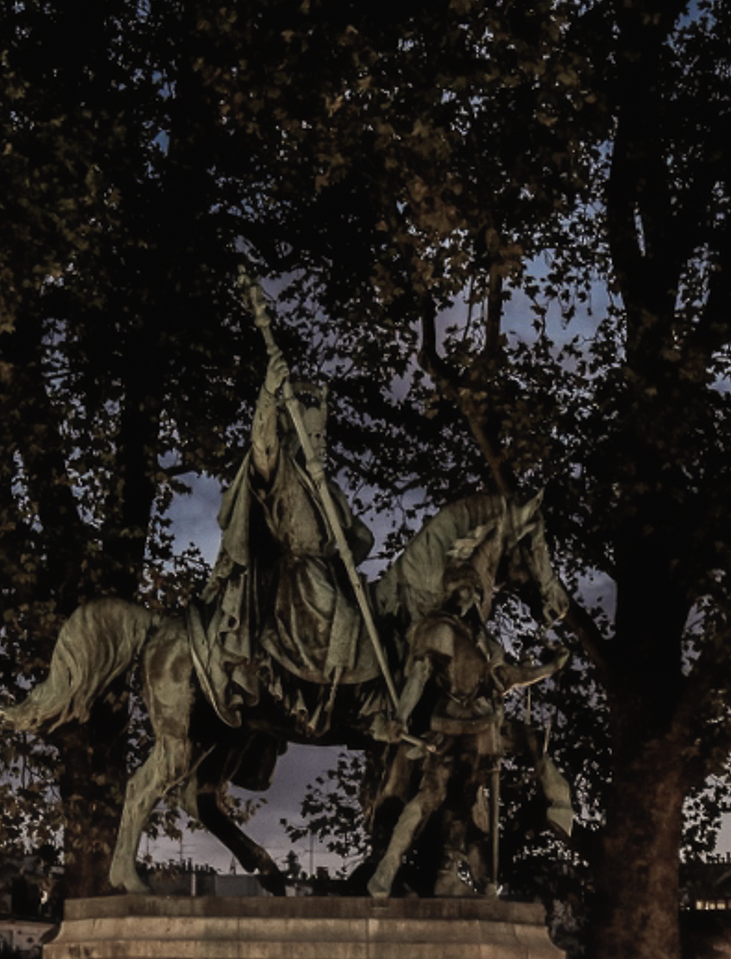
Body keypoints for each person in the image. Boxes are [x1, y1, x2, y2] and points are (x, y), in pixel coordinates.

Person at [367, 533, 572, 898]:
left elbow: (507, 677)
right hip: (450, 726)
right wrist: (399, 718)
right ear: (454, 594)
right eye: (465, 592)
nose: (472, 599)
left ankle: (446, 873)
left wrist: (548, 668)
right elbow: (419, 677)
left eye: (475, 592)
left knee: (461, 801)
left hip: (481, 729)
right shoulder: (440, 630)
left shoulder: (483, 641)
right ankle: (389, 866)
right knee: (429, 797)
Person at [192, 352, 380, 733]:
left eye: (324, 437)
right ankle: (327, 701)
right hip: (298, 578)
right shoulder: (283, 473)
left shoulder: (330, 490)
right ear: (298, 440)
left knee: (374, 617)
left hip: (326, 571)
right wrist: (268, 393)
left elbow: (362, 536)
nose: (321, 444)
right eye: (314, 437)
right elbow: (262, 445)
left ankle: (352, 700)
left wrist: (344, 556)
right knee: (346, 614)